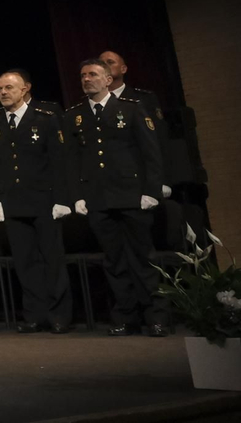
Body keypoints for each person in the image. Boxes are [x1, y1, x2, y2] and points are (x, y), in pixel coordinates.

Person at [70, 59, 168, 336]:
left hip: (131, 196)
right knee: (114, 261)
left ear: (108, 80)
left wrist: (151, 191)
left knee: (142, 259)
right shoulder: (76, 115)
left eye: (93, 74)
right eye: (83, 75)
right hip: (99, 198)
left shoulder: (131, 108)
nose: (87, 79)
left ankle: (156, 316)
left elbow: (151, 153)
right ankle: (125, 315)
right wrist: (78, 195)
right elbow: (73, 159)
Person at [0, 70, 74, 334]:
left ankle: (59, 316)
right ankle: (34, 314)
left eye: (9, 88)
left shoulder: (45, 118)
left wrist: (61, 199)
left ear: (25, 89)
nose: (3, 93)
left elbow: (59, 161)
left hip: (44, 200)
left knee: (52, 260)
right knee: (25, 262)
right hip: (13, 203)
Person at [99, 50, 176, 198]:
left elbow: (159, 139)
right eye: (101, 63)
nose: (105, 66)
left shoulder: (143, 99)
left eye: (110, 62)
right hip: (109, 181)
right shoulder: (93, 102)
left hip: (141, 176)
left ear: (124, 69)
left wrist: (163, 179)